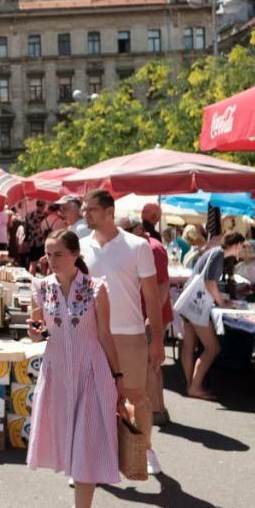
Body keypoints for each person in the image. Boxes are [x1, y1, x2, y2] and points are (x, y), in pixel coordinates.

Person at [27, 229, 122, 508]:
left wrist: (118, 376)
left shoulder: (97, 289)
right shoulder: (41, 288)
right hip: (57, 375)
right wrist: (34, 331)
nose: (51, 261)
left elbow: (106, 336)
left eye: (58, 254)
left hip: (90, 373)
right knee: (68, 441)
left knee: (86, 443)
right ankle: (80, 507)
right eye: (48, 254)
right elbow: (37, 332)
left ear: (74, 254)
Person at [79, 189, 164, 476]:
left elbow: (151, 297)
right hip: (93, 332)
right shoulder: (80, 246)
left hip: (129, 332)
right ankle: (90, 462)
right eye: (84, 209)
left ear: (109, 212)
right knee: (91, 398)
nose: (85, 214)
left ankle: (145, 448)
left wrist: (158, 341)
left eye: (91, 209)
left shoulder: (137, 246)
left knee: (136, 395)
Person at [181, 232, 246, 400]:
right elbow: (210, 283)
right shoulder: (218, 253)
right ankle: (195, 386)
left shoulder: (214, 252)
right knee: (212, 348)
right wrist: (222, 303)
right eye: (242, 246)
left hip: (188, 302)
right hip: (198, 305)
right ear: (237, 244)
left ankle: (190, 385)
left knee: (189, 345)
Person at [138, 204, 174, 426]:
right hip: (150, 314)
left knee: (150, 365)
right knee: (153, 365)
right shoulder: (150, 246)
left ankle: (156, 412)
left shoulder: (152, 248)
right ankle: (159, 410)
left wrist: (153, 317)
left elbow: (162, 285)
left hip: (150, 315)